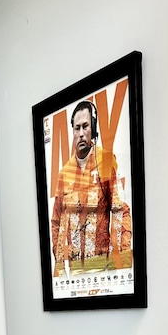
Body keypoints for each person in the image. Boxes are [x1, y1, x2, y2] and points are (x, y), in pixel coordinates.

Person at [50, 100, 132, 279]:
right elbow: (56, 221)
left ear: (93, 129)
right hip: (75, 272)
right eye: (76, 128)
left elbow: (121, 211)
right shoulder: (65, 173)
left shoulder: (105, 160)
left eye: (85, 127)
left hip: (103, 268)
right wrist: (60, 272)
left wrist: (120, 265)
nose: (80, 133)